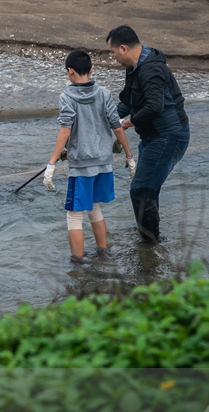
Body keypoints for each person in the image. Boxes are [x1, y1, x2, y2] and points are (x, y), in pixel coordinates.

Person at [43, 49, 136, 264]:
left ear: (70, 71)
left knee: (74, 214)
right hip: (104, 163)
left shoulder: (67, 96)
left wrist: (51, 164)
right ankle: (103, 256)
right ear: (92, 70)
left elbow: (65, 131)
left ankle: (77, 265)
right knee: (94, 207)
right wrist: (129, 157)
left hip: (82, 165)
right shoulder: (104, 93)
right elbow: (117, 126)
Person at [106, 25, 190, 243]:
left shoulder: (149, 69)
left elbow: (155, 106)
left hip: (168, 136)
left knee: (141, 190)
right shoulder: (135, 67)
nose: (113, 57)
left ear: (123, 48)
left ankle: (150, 245)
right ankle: (152, 237)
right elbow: (128, 101)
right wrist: (108, 119)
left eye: (113, 52)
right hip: (154, 137)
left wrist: (126, 124)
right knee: (148, 189)